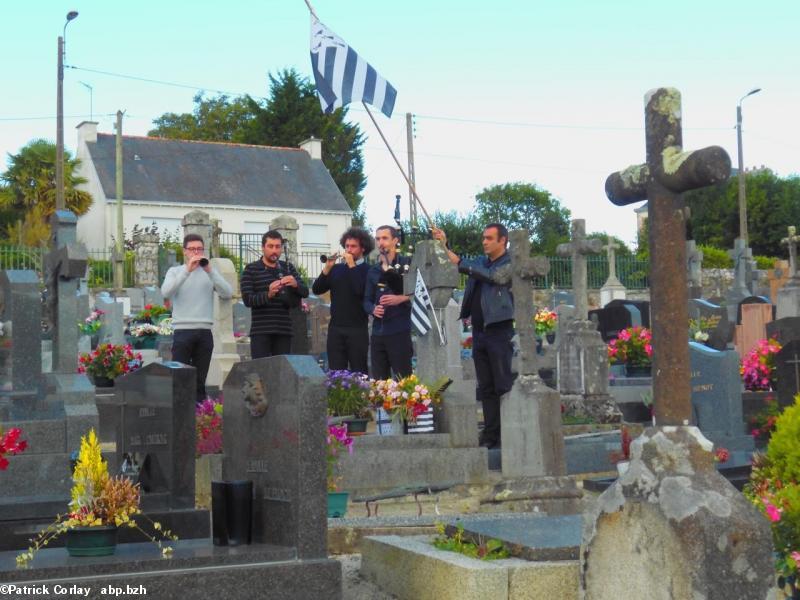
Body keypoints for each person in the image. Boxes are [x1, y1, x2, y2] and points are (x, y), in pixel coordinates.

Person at [433, 223, 514, 449]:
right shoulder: (479, 261)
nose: (484, 242)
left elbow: (493, 277)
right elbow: (465, 264)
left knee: (502, 384)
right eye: (483, 238)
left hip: (499, 330)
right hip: (480, 331)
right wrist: (444, 244)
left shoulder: (509, 263)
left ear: (503, 241)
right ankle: (490, 435)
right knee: (486, 387)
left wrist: (460, 262)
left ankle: (508, 433)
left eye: (489, 238)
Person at [161, 233, 233, 403]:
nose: (196, 252)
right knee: (180, 379)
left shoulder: (209, 272)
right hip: (182, 332)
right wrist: (187, 270)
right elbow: (166, 292)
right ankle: (180, 419)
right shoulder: (175, 271)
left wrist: (210, 270)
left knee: (200, 382)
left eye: (199, 249)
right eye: (192, 249)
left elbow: (227, 293)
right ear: (184, 251)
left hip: (204, 331)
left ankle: (201, 419)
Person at [311, 227, 373, 374]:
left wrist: (351, 265)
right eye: (347, 246)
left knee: (359, 372)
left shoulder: (368, 270)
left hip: (357, 328)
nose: (349, 250)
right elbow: (317, 289)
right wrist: (327, 268)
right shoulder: (337, 269)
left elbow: (359, 290)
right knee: (336, 372)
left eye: (353, 246)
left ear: (362, 248)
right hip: (336, 328)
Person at [241, 230, 309, 359]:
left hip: (284, 330)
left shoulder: (288, 268)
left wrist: (295, 284)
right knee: (261, 373)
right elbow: (247, 300)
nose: (274, 250)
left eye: (278, 247)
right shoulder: (251, 269)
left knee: (282, 374)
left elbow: (305, 292)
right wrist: (269, 294)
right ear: (263, 248)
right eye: (270, 246)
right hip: (261, 331)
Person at [363, 225, 413, 379]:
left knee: (403, 380)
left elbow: (421, 292)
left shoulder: (407, 264)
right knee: (379, 382)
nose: (380, 242)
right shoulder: (373, 271)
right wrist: (372, 309)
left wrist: (400, 298)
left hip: (399, 330)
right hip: (378, 332)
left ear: (395, 241)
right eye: (378, 239)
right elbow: (366, 300)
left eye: (385, 238)